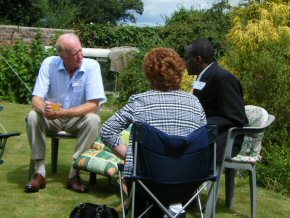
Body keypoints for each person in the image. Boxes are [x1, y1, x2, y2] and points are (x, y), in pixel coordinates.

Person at [100, 47, 207, 217]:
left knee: (139, 176)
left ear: (149, 73)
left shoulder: (140, 101)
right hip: (187, 184)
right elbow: (203, 143)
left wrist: (132, 157)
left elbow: (107, 131)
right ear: (180, 72)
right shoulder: (195, 104)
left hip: (147, 183)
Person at [25, 33, 106, 193]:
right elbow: (36, 98)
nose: (81, 55)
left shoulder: (91, 66)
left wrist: (64, 113)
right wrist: (44, 109)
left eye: (80, 50)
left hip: (76, 119)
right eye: (75, 53)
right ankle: (39, 172)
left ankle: (74, 174)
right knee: (33, 116)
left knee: (93, 120)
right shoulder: (49, 64)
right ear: (62, 56)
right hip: (52, 118)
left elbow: (93, 105)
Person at [185, 38, 248, 162]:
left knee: (178, 151)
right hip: (206, 135)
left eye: (187, 58)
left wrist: (200, 123)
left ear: (198, 59)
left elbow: (236, 118)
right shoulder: (203, 77)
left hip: (224, 140)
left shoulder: (223, 79)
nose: (185, 62)